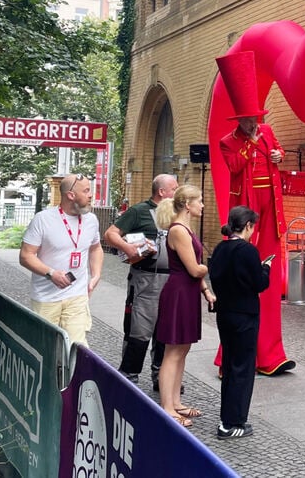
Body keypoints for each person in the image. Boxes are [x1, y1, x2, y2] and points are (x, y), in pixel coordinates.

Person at [214, 51, 295, 376]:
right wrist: (251, 142)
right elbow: (235, 165)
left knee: (270, 282)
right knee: (241, 282)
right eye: (249, 120)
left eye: (256, 118)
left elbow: (278, 154)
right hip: (247, 211)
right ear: (240, 120)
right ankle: (229, 358)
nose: (255, 124)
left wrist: (277, 154)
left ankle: (271, 354)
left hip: (270, 211)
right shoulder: (227, 142)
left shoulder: (268, 131)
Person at [103, 174, 178, 391]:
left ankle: (161, 376)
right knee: (139, 328)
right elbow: (111, 234)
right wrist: (128, 248)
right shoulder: (139, 211)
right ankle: (129, 374)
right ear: (161, 192)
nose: (177, 191)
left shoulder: (176, 213)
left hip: (171, 279)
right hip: (146, 278)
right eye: (174, 188)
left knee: (165, 329)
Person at [153, 184, 216, 427]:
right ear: (187, 205)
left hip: (186, 291)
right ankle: (167, 407)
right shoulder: (179, 230)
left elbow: (195, 270)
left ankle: (176, 402)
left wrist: (205, 290)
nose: (202, 204)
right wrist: (213, 266)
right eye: (199, 200)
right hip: (179, 292)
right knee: (173, 351)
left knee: (182, 350)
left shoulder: (185, 228)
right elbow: (195, 268)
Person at [19, 173, 103, 346]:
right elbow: (26, 256)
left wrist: (95, 275)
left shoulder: (91, 220)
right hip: (46, 298)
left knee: (76, 347)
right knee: (44, 348)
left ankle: (74, 374)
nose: (90, 195)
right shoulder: (43, 220)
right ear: (71, 195)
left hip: (77, 296)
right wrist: (50, 273)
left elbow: (96, 247)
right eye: (86, 191)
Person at [209, 206, 271, 439]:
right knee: (243, 369)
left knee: (230, 364)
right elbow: (259, 284)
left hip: (225, 312)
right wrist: (266, 268)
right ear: (247, 226)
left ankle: (228, 417)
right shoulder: (248, 251)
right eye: (252, 226)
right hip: (245, 314)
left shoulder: (220, 248)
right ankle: (233, 422)